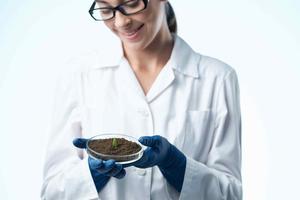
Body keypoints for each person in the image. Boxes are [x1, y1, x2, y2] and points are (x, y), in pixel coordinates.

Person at [41, 0, 242, 199]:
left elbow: (231, 194)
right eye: (106, 9)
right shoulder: (78, 74)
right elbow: (52, 192)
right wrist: (91, 174)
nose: (120, 22)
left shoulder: (218, 78)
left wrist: (178, 167)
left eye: (131, 3)